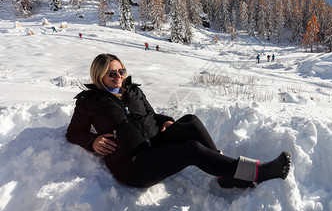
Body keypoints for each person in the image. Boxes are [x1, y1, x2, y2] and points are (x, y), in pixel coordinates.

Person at [66, 54, 291, 189]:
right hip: (133, 164)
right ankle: (255, 174)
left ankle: (226, 175)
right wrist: (92, 141)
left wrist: (167, 121)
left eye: (120, 71)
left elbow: (152, 115)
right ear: (99, 76)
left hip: (153, 144)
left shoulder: (133, 91)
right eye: (111, 74)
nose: (118, 77)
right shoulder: (90, 101)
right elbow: (74, 132)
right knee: (191, 149)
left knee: (190, 121)